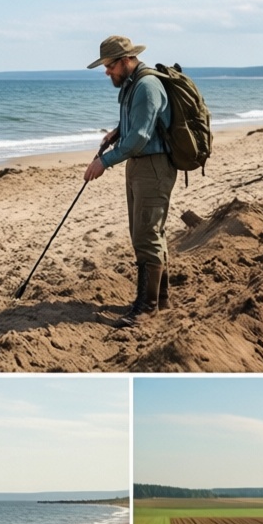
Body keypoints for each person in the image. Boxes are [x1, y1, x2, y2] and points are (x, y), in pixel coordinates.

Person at [83, 35, 176, 327]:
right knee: (146, 233)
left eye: (109, 66)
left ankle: (146, 309)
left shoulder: (147, 86)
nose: (106, 72)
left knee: (147, 234)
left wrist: (104, 162)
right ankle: (159, 300)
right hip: (140, 165)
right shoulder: (131, 84)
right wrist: (115, 132)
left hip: (154, 166)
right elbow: (134, 126)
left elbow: (140, 137)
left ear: (125, 60)